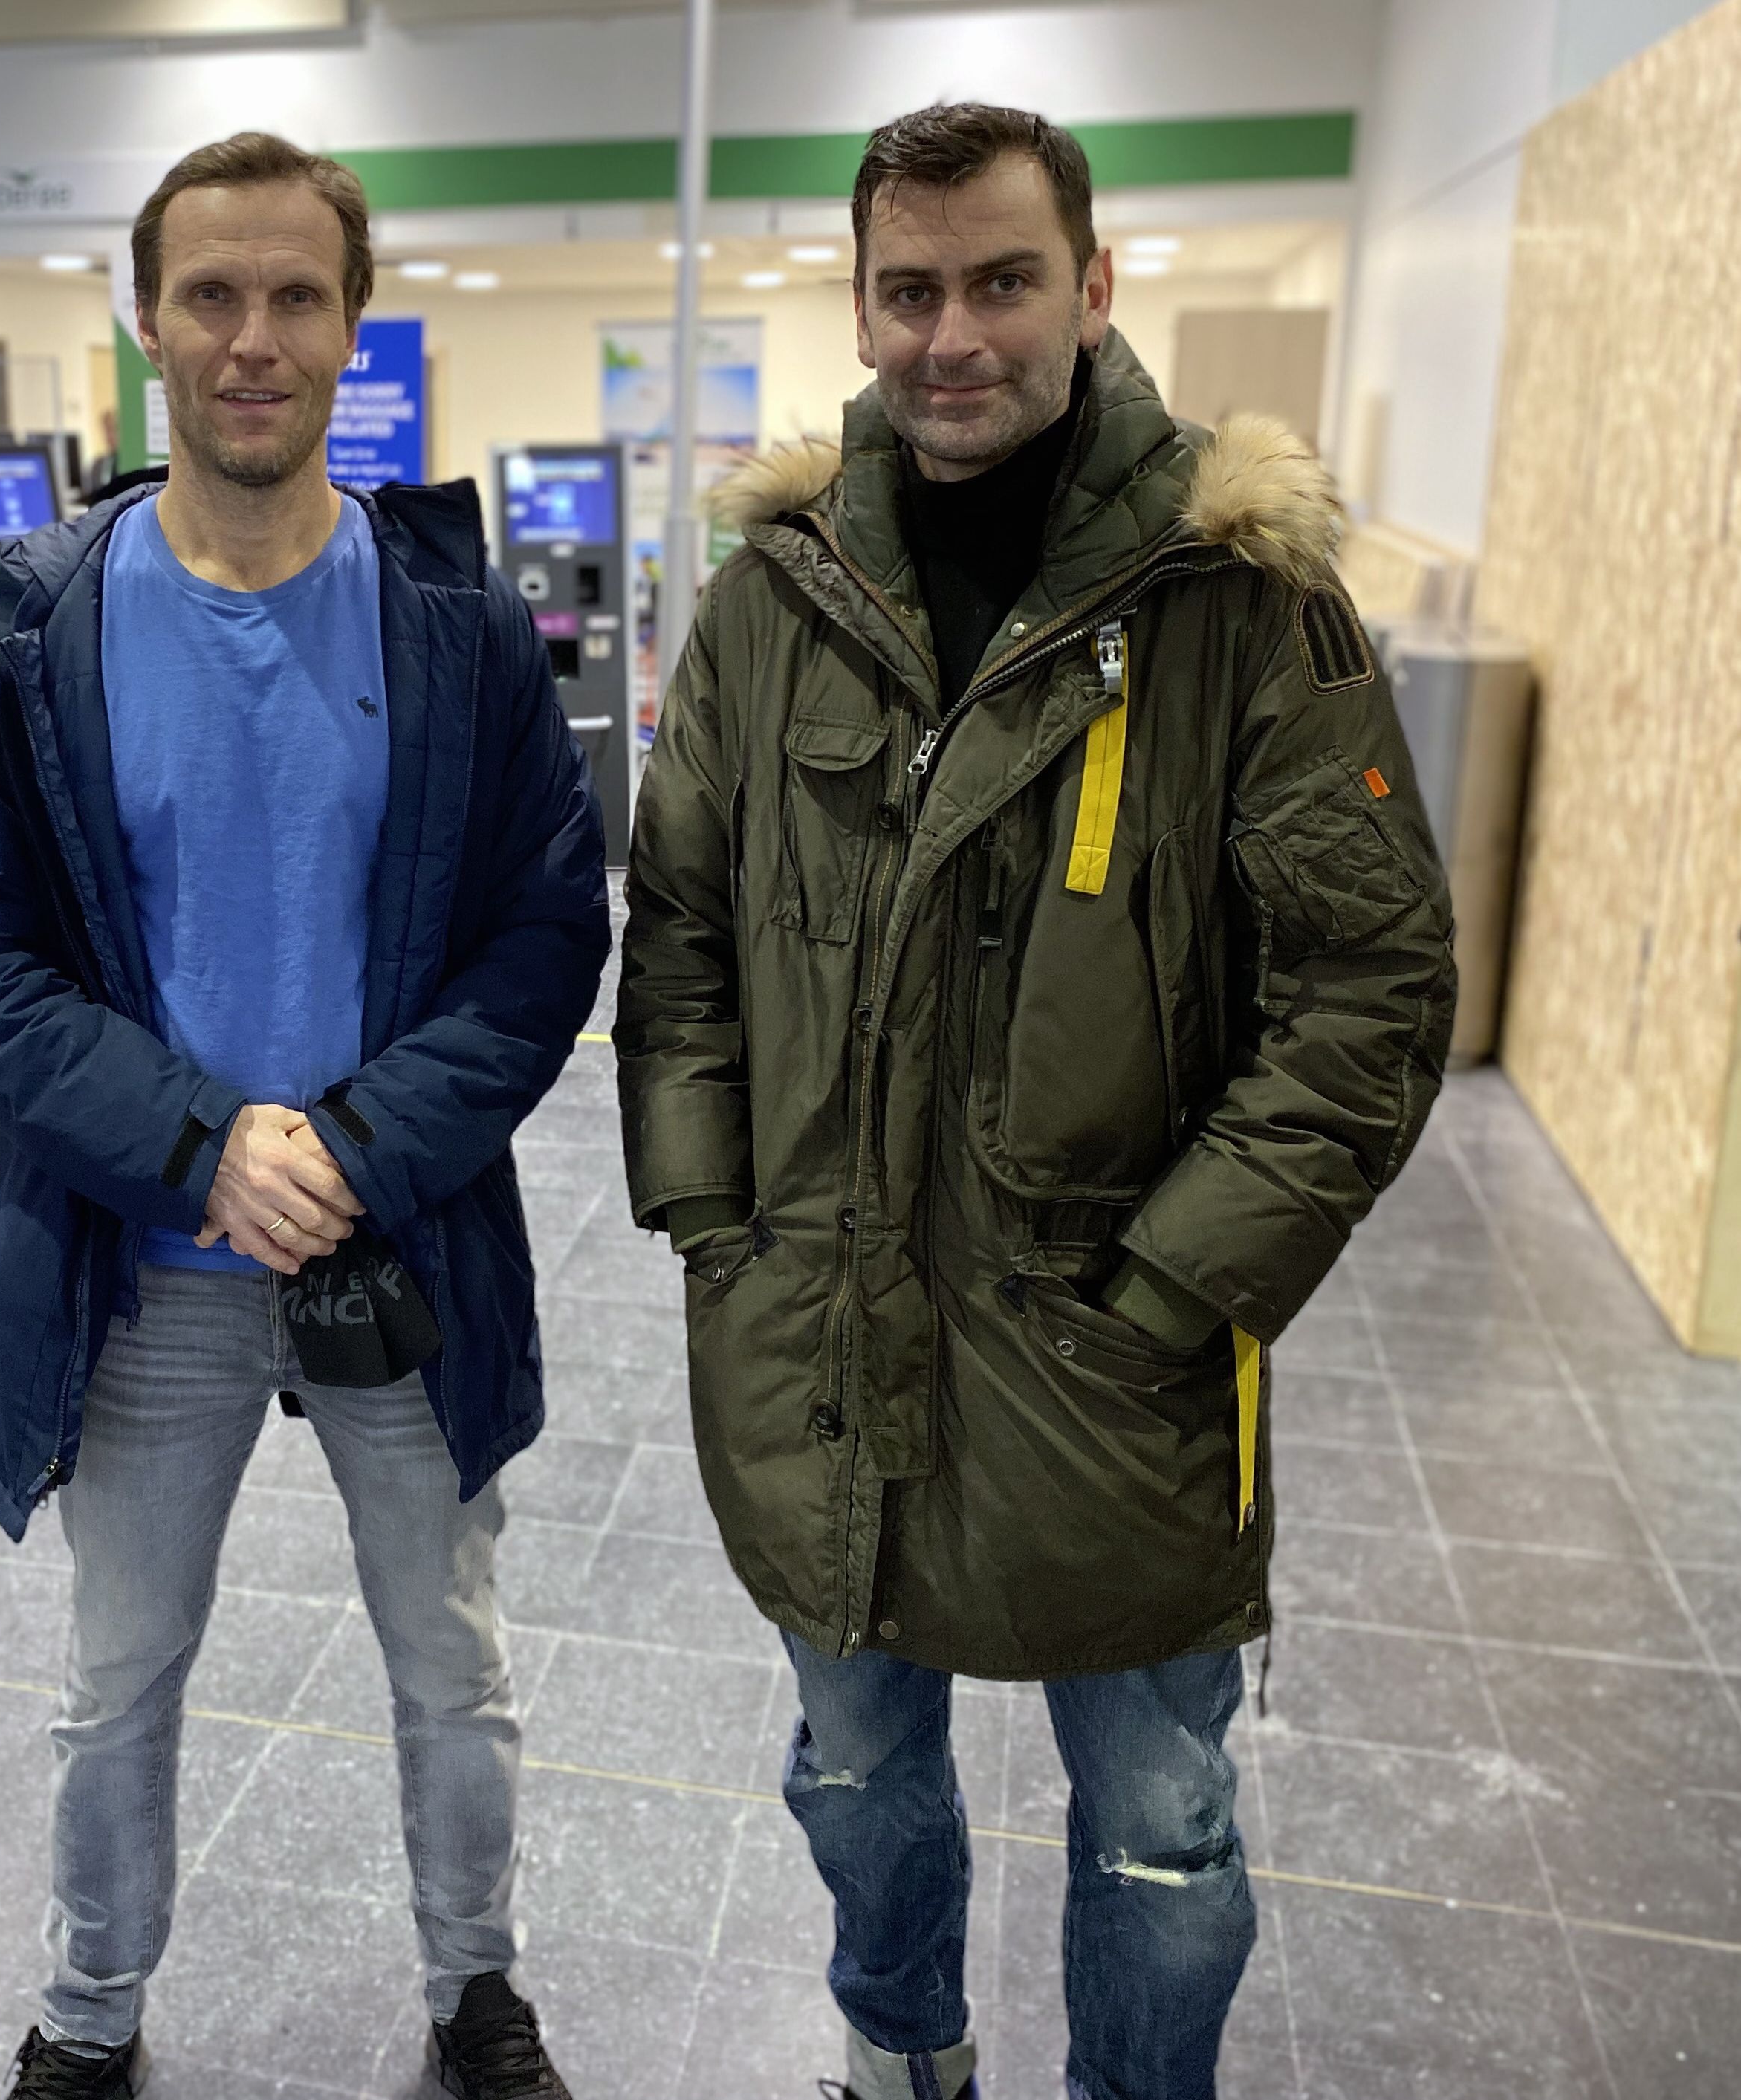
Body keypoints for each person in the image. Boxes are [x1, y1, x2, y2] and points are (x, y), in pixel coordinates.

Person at [615, 103, 1456, 2100]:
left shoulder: (1239, 604)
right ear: (859, 308)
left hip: (1115, 1360)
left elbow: (1371, 986)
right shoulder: (775, 601)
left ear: (1094, 287)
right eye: (909, 290)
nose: (953, 335)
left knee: (1162, 1835)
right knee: (853, 1776)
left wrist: (1178, 1290)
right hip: (823, 1338)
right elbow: (683, 935)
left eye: (1003, 280)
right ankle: (901, 2053)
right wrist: (716, 1228)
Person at [0, 132, 607, 2100]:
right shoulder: (35, 634)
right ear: (148, 321)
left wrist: (357, 1150)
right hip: (145, 1259)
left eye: (297, 295)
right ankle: (88, 2014)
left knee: (451, 1664)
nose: (252, 338)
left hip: (400, 1235)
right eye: (211, 294)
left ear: (354, 325)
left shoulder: (454, 625)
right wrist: (203, 1142)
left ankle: (477, 1992)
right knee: (117, 1677)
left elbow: (545, 935)